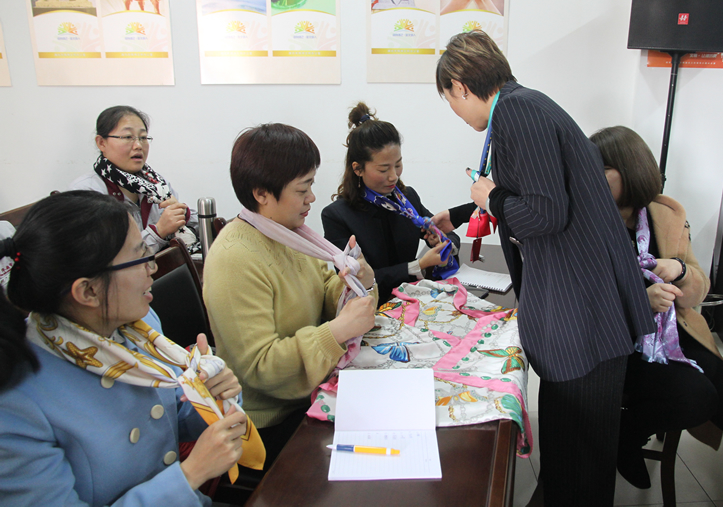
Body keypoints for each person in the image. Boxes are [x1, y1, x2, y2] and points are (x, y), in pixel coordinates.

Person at [433, 31, 654, 506]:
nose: (454, 111)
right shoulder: (524, 106)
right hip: (581, 305)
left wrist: (491, 197)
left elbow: (545, 213)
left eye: (449, 100)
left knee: (580, 457)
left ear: (460, 86)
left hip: (582, 311)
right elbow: (536, 188)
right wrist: (466, 210)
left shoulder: (516, 112)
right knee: (570, 449)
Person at [0, 190, 248, 506]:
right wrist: (190, 474)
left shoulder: (135, 327)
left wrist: (211, 395)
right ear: (88, 291)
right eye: (140, 256)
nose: (152, 267)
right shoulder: (17, 402)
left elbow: (170, 418)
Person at [203, 123, 378, 470]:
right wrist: (337, 331)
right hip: (270, 423)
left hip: (312, 394)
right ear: (261, 194)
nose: (311, 197)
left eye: (311, 185)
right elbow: (260, 367)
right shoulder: (235, 257)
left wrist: (356, 281)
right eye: (303, 188)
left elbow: (321, 291)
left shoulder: (288, 233)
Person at [589, 126, 723, 487]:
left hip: (672, 335)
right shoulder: (587, 219)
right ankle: (626, 433)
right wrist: (639, 302)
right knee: (697, 398)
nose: (591, 177)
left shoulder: (664, 215)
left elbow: (700, 287)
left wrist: (679, 270)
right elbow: (579, 298)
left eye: (602, 169)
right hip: (619, 344)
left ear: (630, 169)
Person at [322, 102, 460, 304]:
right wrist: (418, 265)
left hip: (413, 300)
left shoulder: (407, 199)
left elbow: (449, 234)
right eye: (383, 169)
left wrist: (442, 242)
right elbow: (356, 279)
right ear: (358, 169)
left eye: (398, 165)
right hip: (370, 307)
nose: (394, 176)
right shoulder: (337, 216)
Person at [69, 105, 199, 253]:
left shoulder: (157, 184)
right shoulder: (85, 192)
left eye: (143, 138)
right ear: (101, 143)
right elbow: (101, 256)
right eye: (127, 137)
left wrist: (183, 214)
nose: (138, 145)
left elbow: (200, 229)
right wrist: (158, 232)